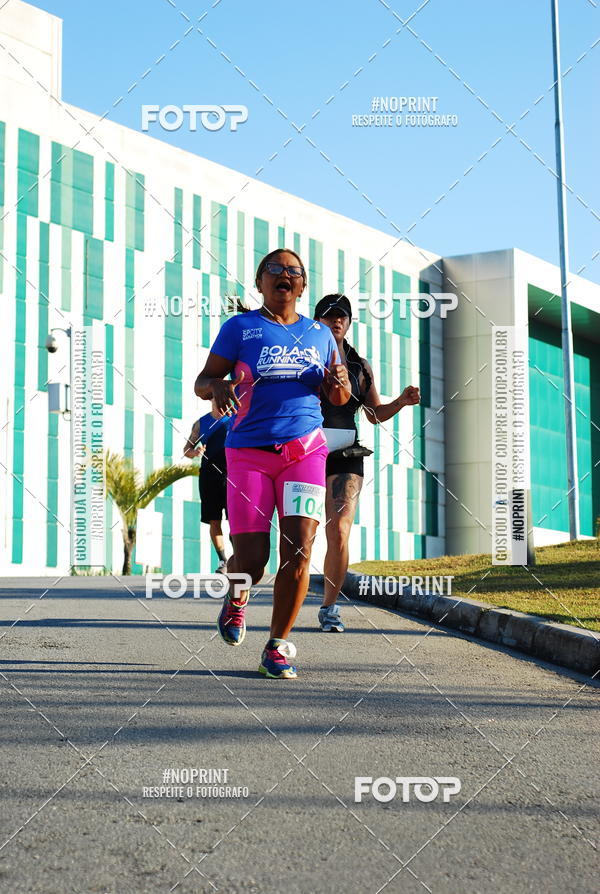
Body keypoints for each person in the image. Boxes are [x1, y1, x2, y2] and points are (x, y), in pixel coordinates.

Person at [194, 250, 351, 679]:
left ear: (302, 286)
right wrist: (219, 387)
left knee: (299, 549)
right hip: (248, 454)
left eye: (294, 272)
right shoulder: (240, 328)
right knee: (252, 560)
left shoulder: (321, 334)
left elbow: (339, 396)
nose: (285, 276)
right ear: (260, 282)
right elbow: (201, 382)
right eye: (275, 270)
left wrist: (338, 384)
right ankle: (238, 597)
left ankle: (277, 645)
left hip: (304, 452)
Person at [314, 293, 420, 632]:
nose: (336, 320)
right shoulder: (303, 357)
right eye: (329, 315)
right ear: (316, 320)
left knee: (340, 529)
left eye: (342, 315)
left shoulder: (360, 365)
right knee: (303, 534)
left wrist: (401, 402)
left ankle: (330, 607)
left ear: (348, 323)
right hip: (305, 451)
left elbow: (373, 414)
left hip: (345, 455)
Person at [183, 406, 232, 573]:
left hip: (232, 475)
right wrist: (195, 452)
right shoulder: (201, 423)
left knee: (235, 520)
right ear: (210, 398)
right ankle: (223, 561)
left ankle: (239, 558)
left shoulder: (236, 418)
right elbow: (186, 450)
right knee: (214, 520)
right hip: (208, 476)